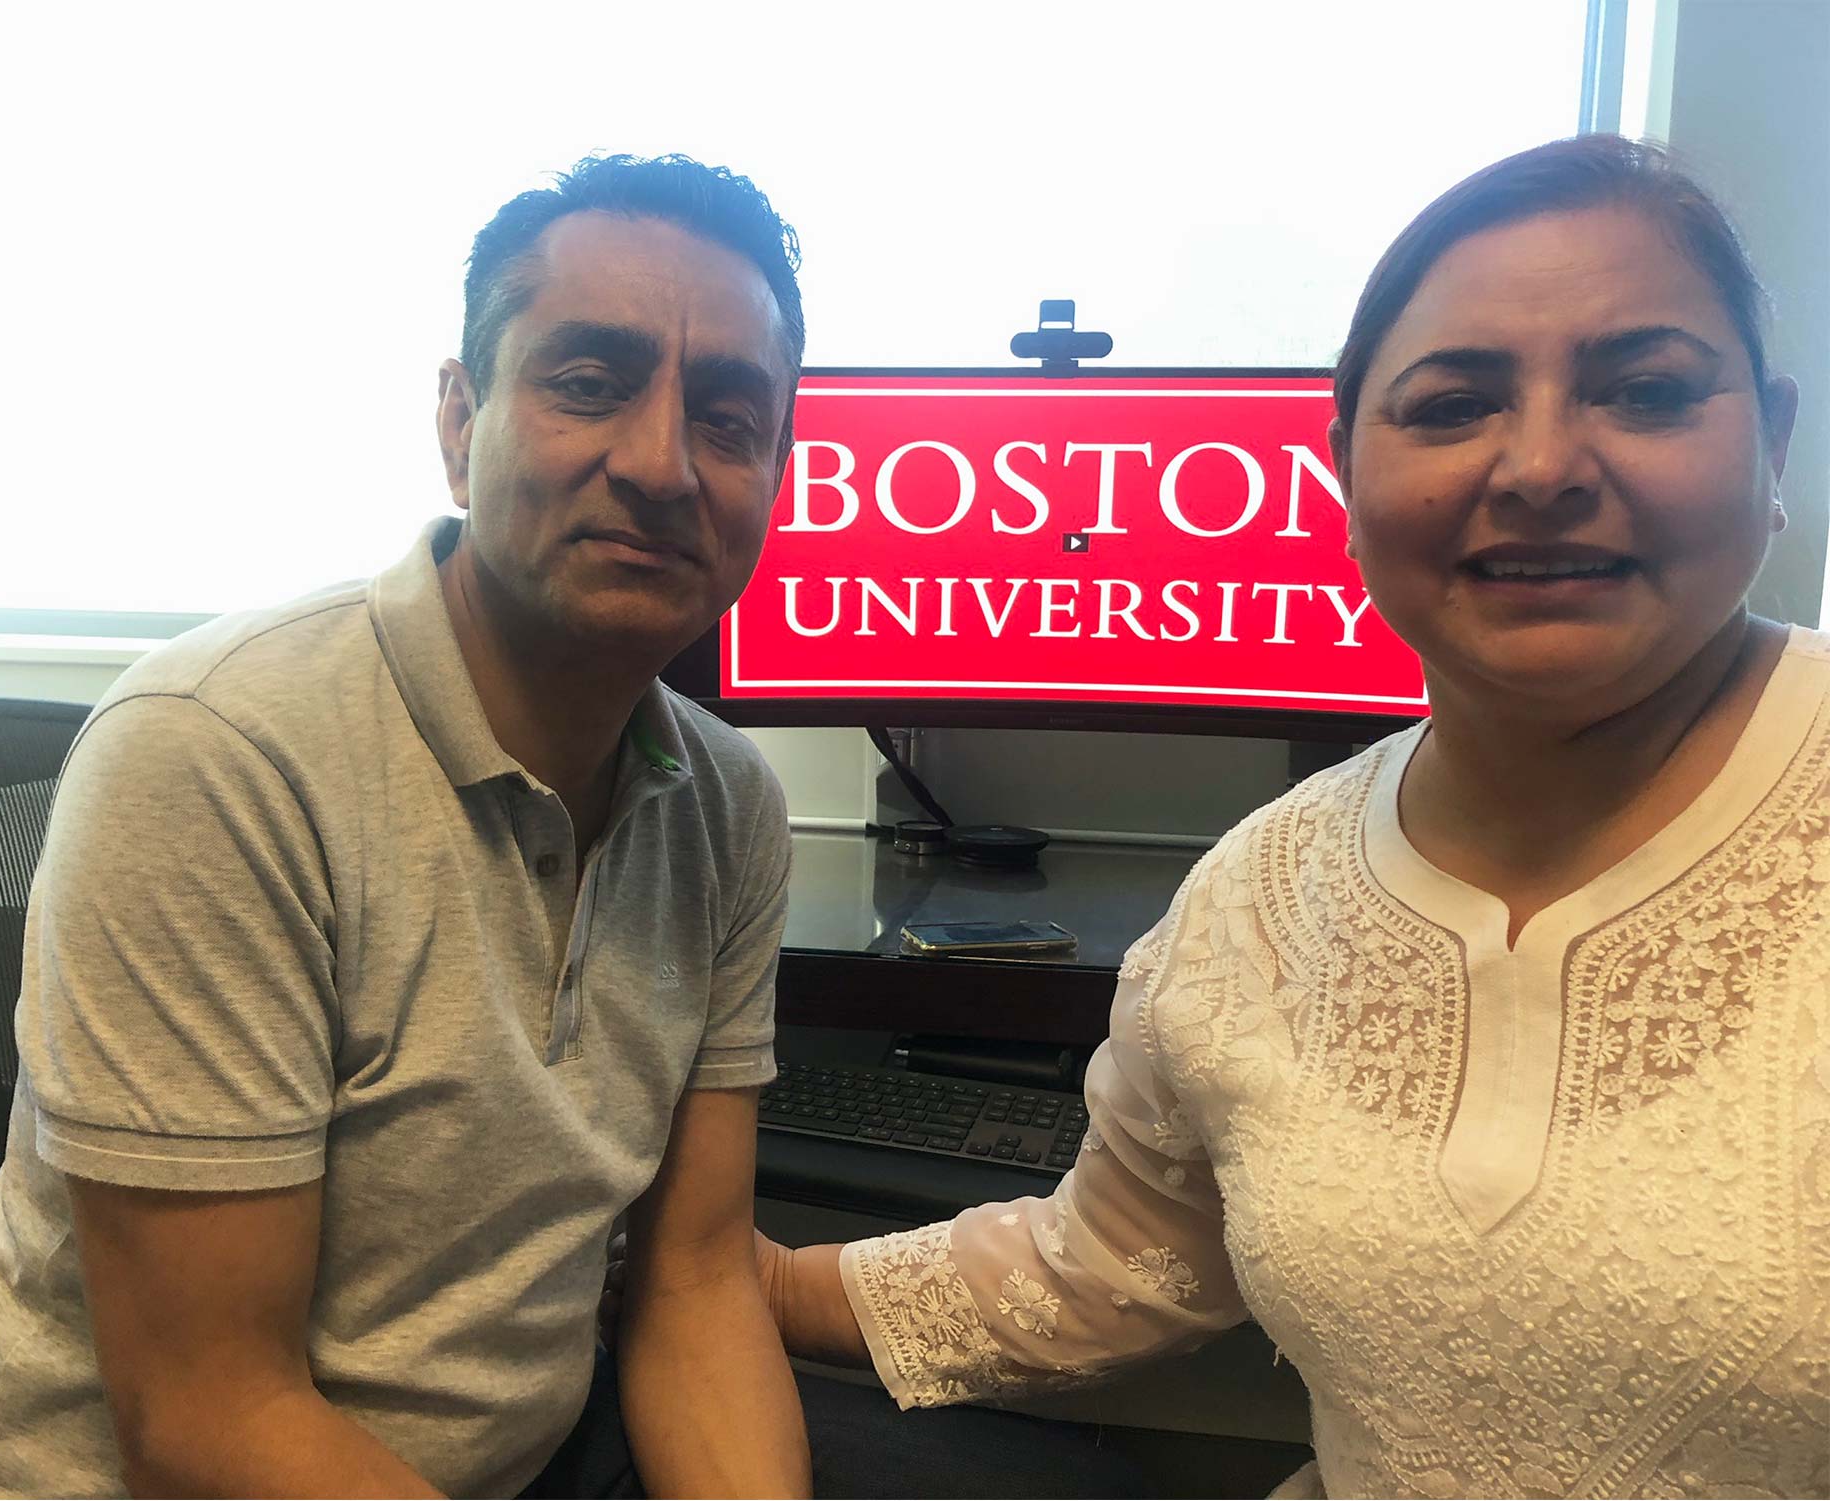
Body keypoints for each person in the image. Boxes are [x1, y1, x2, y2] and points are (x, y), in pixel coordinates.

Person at [753, 135, 1827, 1498]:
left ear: (1775, 436)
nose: (1544, 462)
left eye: (1647, 390)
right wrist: (739, 1278)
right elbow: (1106, 1263)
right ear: (1342, 467)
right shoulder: (1268, 887)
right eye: (1454, 406)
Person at [0, 154, 818, 1498]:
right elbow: (210, 1415)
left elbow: (689, 1285)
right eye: (587, 383)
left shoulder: (729, 810)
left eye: (732, 418)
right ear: (458, 419)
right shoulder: (218, 752)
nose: (666, 463)